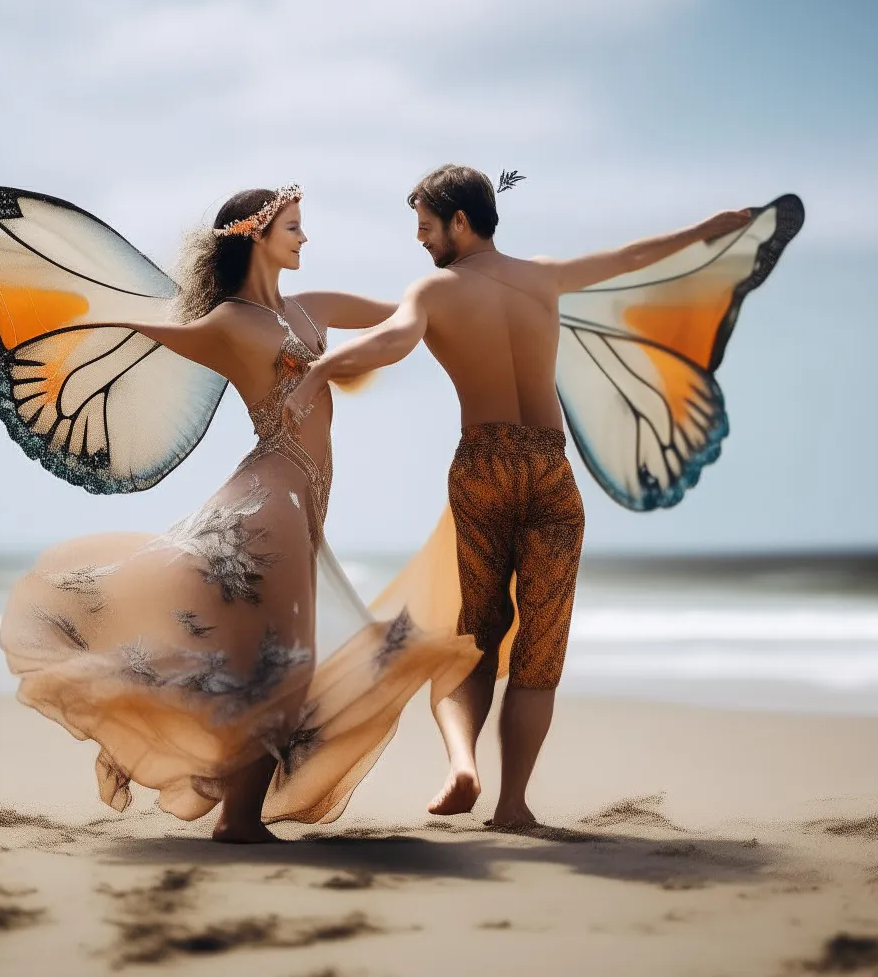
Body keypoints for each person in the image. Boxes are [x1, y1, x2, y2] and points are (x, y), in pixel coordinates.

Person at [0, 180, 480, 843]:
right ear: (256, 235)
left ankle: (238, 816)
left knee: (267, 657)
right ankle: (238, 819)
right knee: (283, 657)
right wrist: (69, 329)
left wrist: (464, 278)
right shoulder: (229, 323)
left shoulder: (313, 309)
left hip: (304, 497)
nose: (305, 237)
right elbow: (155, 332)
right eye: (293, 226)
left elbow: (407, 313)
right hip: (272, 497)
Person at [283, 164, 752, 829]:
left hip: (483, 464)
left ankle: (462, 765)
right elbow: (632, 256)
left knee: (473, 634)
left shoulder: (437, 289)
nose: (420, 241)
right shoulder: (545, 277)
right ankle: (513, 805)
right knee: (541, 649)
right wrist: (709, 229)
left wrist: (325, 366)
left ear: (460, 223)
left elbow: (395, 340)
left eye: (425, 227)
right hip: (550, 471)